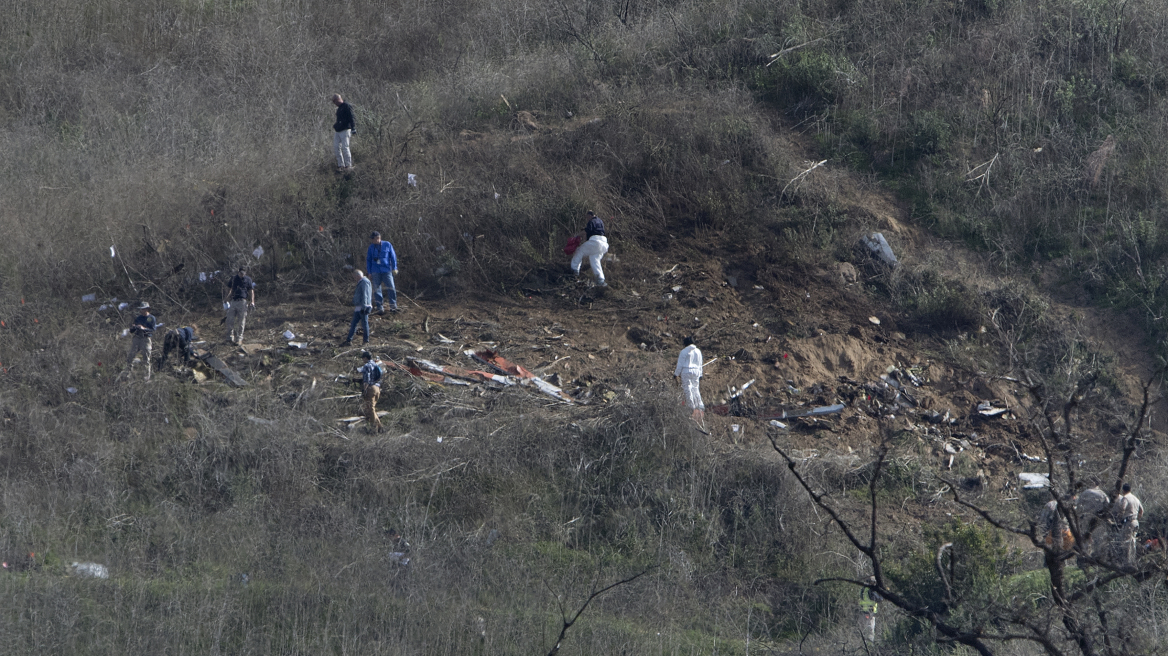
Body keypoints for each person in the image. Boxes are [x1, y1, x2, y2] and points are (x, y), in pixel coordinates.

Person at [570, 210, 609, 287]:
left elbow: (586, 231)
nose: (587, 219)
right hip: (603, 244)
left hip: (595, 242)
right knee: (594, 259)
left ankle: (574, 271)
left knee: (579, 251)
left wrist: (576, 236)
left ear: (590, 215)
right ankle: (600, 280)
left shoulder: (592, 221)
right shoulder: (600, 221)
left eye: (587, 217)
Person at [1073, 484, 1110, 558]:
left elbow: (1078, 506)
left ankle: (1084, 555)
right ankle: (1096, 556)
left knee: (1085, 537)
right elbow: (1107, 506)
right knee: (1097, 538)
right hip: (1098, 519)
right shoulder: (1102, 494)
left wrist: (1079, 516)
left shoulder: (1085, 493)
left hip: (1086, 518)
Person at [366, 231, 399, 314]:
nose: (372, 240)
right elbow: (368, 260)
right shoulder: (371, 247)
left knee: (391, 287)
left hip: (386, 270)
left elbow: (393, 257)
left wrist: (394, 268)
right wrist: (369, 272)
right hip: (375, 271)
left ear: (378, 238)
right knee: (377, 290)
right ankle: (379, 307)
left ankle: (393, 306)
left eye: (373, 238)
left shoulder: (387, 244)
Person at [673, 336, 704, 423]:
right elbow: (700, 364)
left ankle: (691, 407)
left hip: (686, 371)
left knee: (688, 389)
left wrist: (676, 374)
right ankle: (699, 405)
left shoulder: (684, 351)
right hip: (696, 371)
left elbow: (680, 364)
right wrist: (700, 374)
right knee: (695, 388)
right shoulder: (698, 351)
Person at [1112, 483, 1144, 566]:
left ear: (1123, 490)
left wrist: (1119, 518)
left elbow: (1122, 508)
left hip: (1129, 522)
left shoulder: (1125, 498)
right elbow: (1141, 510)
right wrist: (1137, 518)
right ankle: (1133, 561)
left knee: (1127, 542)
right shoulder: (1136, 498)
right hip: (1135, 522)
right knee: (1133, 542)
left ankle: (1127, 562)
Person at [224, 267, 255, 345]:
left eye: (243, 273)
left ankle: (239, 339)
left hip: (243, 302)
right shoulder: (233, 279)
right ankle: (229, 338)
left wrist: (252, 301)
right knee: (230, 320)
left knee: (241, 321)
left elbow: (251, 290)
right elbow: (229, 288)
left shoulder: (248, 279)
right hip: (233, 301)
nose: (242, 275)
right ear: (238, 272)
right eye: (241, 273)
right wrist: (226, 298)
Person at [126, 302, 157, 381]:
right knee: (131, 356)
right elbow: (131, 330)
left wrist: (144, 329)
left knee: (146, 357)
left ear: (147, 309)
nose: (141, 311)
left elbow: (153, 330)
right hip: (137, 338)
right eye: (141, 309)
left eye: (143, 309)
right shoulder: (138, 318)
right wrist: (134, 327)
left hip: (146, 339)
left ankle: (146, 376)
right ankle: (128, 373)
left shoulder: (152, 318)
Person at [342, 269, 373, 346]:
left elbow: (365, 294)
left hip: (363, 307)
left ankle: (366, 341)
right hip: (358, 307)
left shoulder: (364, 282)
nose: (354, 279)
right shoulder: (361, 282)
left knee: (364, 324)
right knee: (353, 324)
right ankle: (348, 341)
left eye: (355, 277)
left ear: (358, 276)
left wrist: (364, 307)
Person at [357, 350, 384, 432]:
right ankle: (380, 427)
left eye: (363, 358)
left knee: (370, 409)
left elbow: (366, 379)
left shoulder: (366, 366)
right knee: (372, 409)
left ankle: (374, 428)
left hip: (370, 388)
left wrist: (365, 390)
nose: (362, 360)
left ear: (365, 358)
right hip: (377, 388)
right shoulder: (375, 364)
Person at [331, 94, 356, 171]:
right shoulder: (339, 109)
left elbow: (352, 117)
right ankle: (340, 165)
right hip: (338, 130)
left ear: (338, 99)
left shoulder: (346, 106)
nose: (335, 104)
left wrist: (353, 128)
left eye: (335, 101)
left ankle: (348, 165)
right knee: (336, 147)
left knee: (345, 147)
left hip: (345, 129)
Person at [859, 576, 881, 642]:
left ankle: (864, 641)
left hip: (864, 611)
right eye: (874, 582)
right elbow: (879, 599)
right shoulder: (871, 590)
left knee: (865, 628)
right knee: (871, 628)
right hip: (871, 611)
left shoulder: (863, 589)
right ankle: (870, 643)